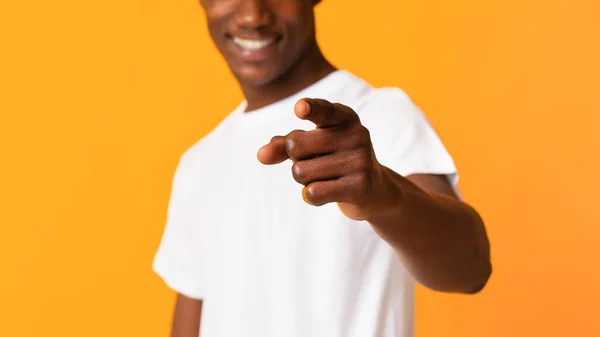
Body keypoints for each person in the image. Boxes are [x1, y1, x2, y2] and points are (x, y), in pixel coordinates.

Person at [153, 0, 492, 336]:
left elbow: (470, 268)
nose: (252, 16)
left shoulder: (380, 116)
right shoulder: (199, 162)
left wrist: (384, 196)